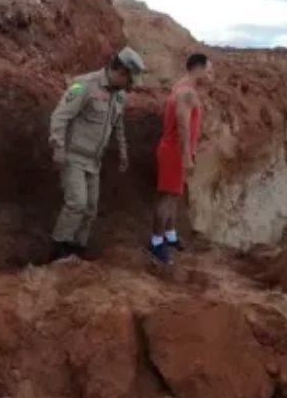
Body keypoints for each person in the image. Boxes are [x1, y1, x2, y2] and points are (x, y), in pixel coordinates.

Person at [47, 46, 146, 262]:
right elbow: (60, 116)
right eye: (128, 81)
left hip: (94, 161)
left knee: (90, 209)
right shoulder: (85, 85)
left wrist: (122, 151)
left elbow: (118, 125)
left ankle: (77, 249)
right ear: (120, 72)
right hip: (74, 156)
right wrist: (58, 147)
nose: (128, 87)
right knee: (77, 204)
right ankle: (58, 249)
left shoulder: (118, 96)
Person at [148, 53, 215, 264]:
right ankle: (156, 242)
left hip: (175, 150)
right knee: (167, 197)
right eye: (209, 70)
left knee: (174, 195)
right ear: (199, 68)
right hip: (174, 152)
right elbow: (183, 125)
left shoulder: (182, 88)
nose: (211, 76)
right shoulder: (186, 93)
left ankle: (170, 235)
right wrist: (186, 156)